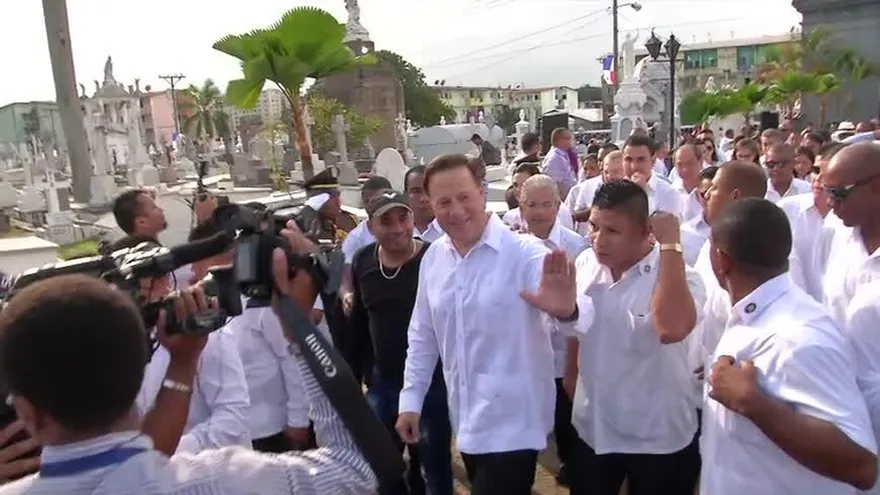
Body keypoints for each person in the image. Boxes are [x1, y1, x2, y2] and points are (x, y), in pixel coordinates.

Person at [0, 222, 377, 494]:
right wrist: (299, 329)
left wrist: (182, 365)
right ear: (138, 375)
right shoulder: (221, 480)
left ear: (26, 413)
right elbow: (356, 466)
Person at [395, 153, 589, 494]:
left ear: (482, 193)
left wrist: (566, 310)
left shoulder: (524, 253)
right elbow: (423, 335)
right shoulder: (434, 259)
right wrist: (410, 401)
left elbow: (578, 316)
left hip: (515, 425)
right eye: (444, 202)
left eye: (464, 197)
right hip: (467, 421)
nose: (455, 211)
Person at [701, 198, 878, 493]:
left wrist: (753, 403)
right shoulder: (755, 316)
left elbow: (861, 466)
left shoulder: (796, 337)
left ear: (721, 260)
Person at [566, 179, 704, 495]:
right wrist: (572, 373)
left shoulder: (680, 276)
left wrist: (671, 246)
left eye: (612, 231)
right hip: (594, 429)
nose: (598, 239)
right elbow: (579, 321)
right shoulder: (587, 262)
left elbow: (672, 328)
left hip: (657, 436)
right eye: (594, 226)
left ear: (645, 232)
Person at [108, 234, 252, 455]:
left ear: (165, 280)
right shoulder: (116, 345)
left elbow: (233, 416)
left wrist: (164, 448)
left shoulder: (205, 330)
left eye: (140, 284)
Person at [350, 190, 453, 495]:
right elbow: (357, 325)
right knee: (383, 466)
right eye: (386, 221)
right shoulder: (363, 261)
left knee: (434, 468)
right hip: (384, 384)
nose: (397, 228)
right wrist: (356, 380)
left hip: (432, 384)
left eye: (403, 217)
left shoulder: (435, 258)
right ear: (371, 227)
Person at [517, 174, 587, 487]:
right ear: (521, 206)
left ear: (558, 205)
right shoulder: (512, 247)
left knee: (568, 434)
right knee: (527, 438)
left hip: (563, 361)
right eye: (532, 204)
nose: (540, 212)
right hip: (527, 361)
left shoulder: (575, 246)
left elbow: (584, 308)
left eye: (547, 204)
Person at [817, 142, 880, 325]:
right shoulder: (835, 231)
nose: (829, 202)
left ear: (877, 186)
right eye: (827, 191)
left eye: (838, 193)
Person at [621, 135, 682, 217]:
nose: (634, 166)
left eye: (641, 159)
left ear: (653, 161)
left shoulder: (669, 193)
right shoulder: (614, 191)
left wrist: (641, 193)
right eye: (628, 159)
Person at [503, 163, 574, 231]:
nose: (519, 189)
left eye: (525, 184)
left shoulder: (557, 211)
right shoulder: (509, 217)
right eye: (515, 185)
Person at [340, 176, 394, 263]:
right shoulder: (355, 238)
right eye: (366, 201)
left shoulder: (406, 229)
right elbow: (347, 271)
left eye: (374, 201)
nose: (370, 206)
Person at [299, 166, 359, 243]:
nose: (338, 201)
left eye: (338, 195)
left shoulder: (349, 220)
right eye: (332, 197)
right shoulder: (306, 228)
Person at [403, 166, 445, 243]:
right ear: (405, 195)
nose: (424, 198)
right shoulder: (397, 232)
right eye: (416, 191)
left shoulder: (452, 231)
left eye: (429, 190)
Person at [541, 128, 579, 198]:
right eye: (570, 138)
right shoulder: (554, 159)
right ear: (561, 140)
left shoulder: (565, 155)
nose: (573, 141)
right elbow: (553, 184)